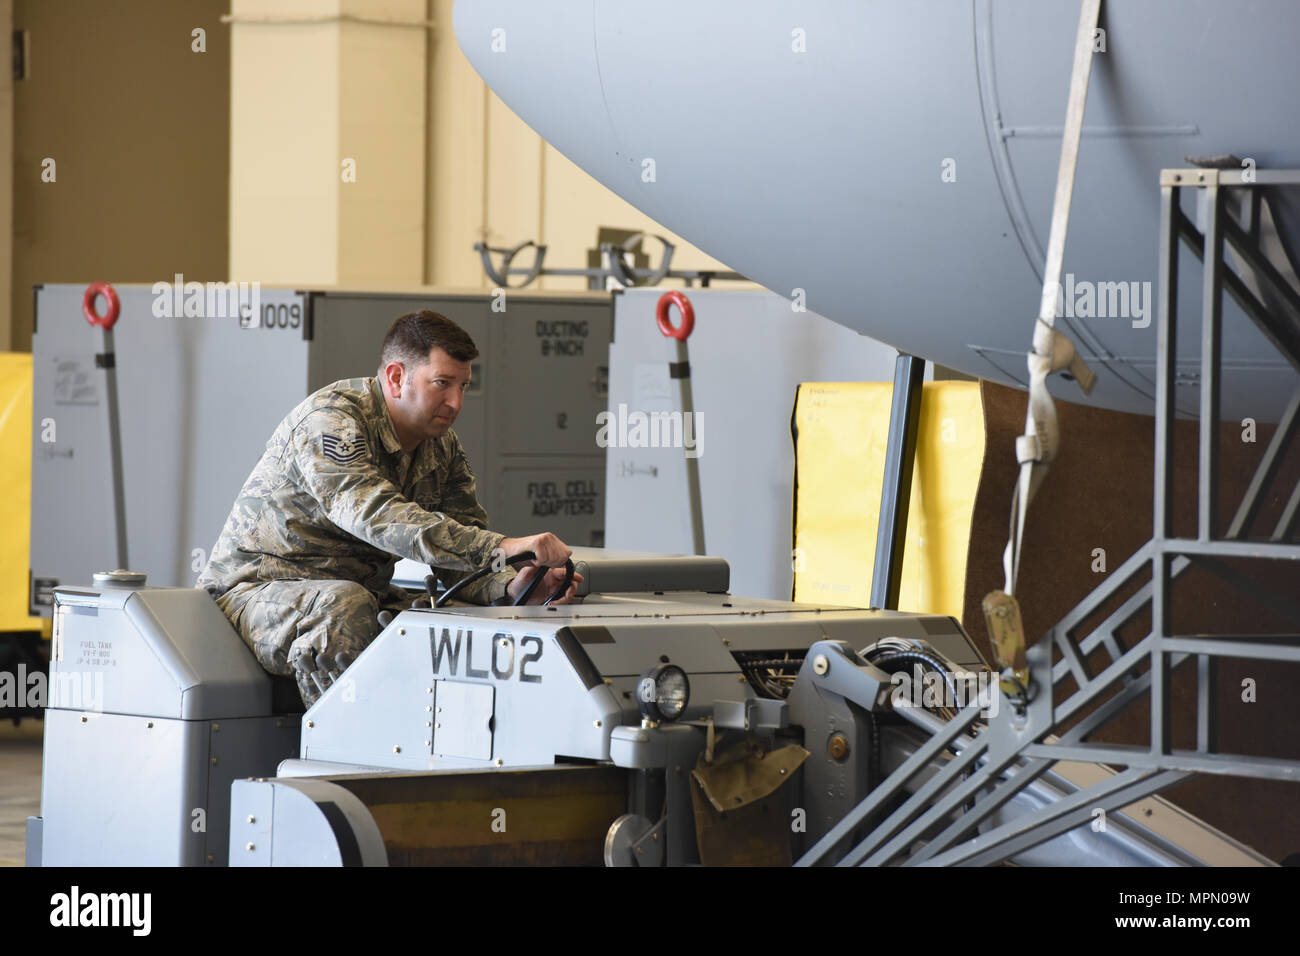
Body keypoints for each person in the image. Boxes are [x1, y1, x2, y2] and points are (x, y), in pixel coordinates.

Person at [197, 310, 581, 706]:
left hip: (358, 593)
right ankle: (342, 753)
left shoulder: (441, 448)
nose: (456, 402)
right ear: (397, 377)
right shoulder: (333, 420)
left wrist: (512, 586)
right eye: (442, 384)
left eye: (464, 386)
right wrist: (500, 547)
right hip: (254, 594)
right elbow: (375, 515)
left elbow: (459, 562)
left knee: (446, 620)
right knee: (342, 607)